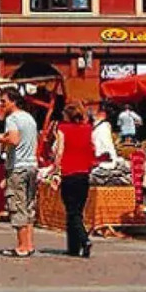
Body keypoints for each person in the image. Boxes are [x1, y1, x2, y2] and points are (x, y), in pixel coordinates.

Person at [0, 88, 39, 258]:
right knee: (28, 206)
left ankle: (22, 246)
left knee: (17, 205)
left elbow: (14, 139)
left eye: (4, 101)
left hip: (18, 167)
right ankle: (29, 244)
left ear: (13, 102)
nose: (1, 104)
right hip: (31, 165)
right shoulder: (29, 118)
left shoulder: (12, 119)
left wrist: (1, 138)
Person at [52, 104, 96, 257]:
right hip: (84, 174)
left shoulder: (63, 128)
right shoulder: (88, 129)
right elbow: (92, 148)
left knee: (72, 212)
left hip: (69, 173)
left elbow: (60, 151)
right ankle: (73, 247)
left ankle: (84, 240)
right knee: (77, 211)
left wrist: (55, 170)